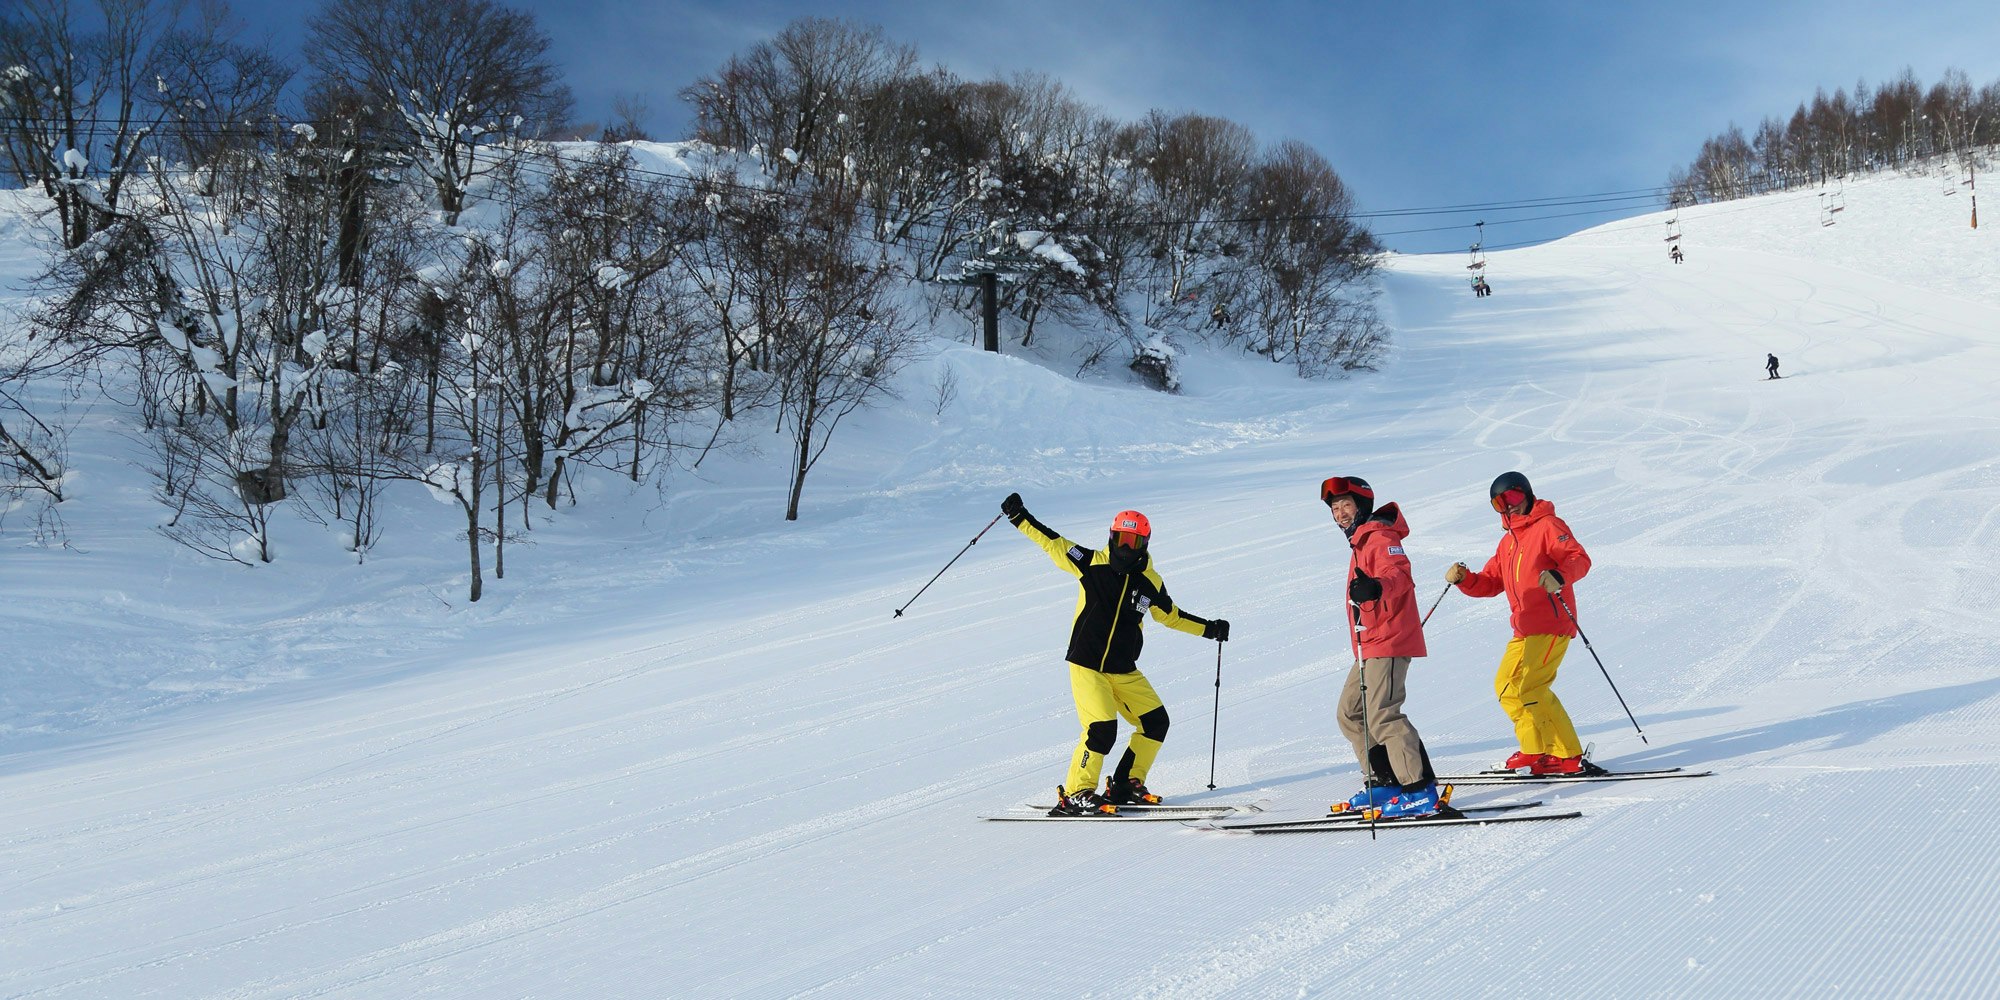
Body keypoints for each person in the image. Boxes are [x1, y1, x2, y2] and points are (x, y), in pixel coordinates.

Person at [1001, 493, 1230, 816]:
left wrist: (1210, 629)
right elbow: (1052, 542)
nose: (1125, 547)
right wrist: (1019, 517)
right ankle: (1076, 793)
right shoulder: (1090, 563)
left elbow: (1171, 616)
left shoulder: (1150, 582)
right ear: (1111, 537)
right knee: (1101, 728)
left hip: (1124, 668)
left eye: (1133, 542)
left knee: (1155, 722)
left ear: (1144, 544)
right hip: (1088, 664)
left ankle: (1125, 783)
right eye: (1121, 539)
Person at [1445, 471, 1601, 776]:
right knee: (1506, 686)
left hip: (1551, 623)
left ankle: (1567, 755)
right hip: (1524, 629)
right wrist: (1465, 579)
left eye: (1513, 497)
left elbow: (1578, 558)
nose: (1508, 506)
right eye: (1499, 503)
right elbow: (1491, 582)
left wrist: (1559, 576)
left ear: (1527, 493)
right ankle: (1535, 749)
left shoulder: (1548, 526)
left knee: (1533, 687)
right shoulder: (1508, 542)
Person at [1322, 476, 1443, 819]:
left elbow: (1400, 575)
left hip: (1389, 639)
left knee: (1383, 714)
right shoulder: (1360, 542)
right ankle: (1385, 780)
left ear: (1361, 506)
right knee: (1350, 713)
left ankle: (1419, 790)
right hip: (1369, 643)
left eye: (1346, 505)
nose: (1341, 514)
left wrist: (1376, 586)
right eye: (1335, 508)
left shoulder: (1380, 536)